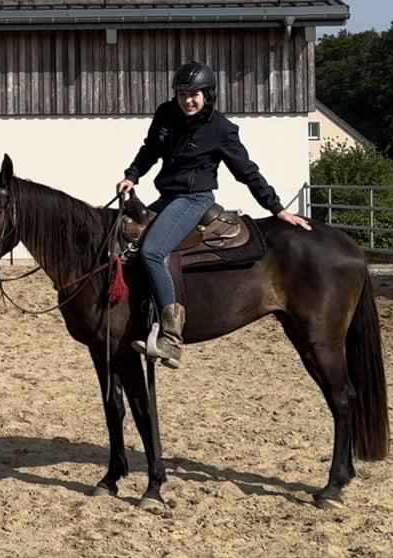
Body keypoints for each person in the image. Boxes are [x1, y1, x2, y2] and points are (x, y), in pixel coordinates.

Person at [116, 60, 311, 369]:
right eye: (182, 94)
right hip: (167, 196)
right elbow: (150, 148)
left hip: (194, 199)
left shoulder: (220, 128)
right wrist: (133, 174)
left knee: (153, 252)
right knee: (124, 238)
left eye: (194, 94)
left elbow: (247, 171)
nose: (187, 100)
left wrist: (277, 208)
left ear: (208, 94)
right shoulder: (166, 115)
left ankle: (171, 337)